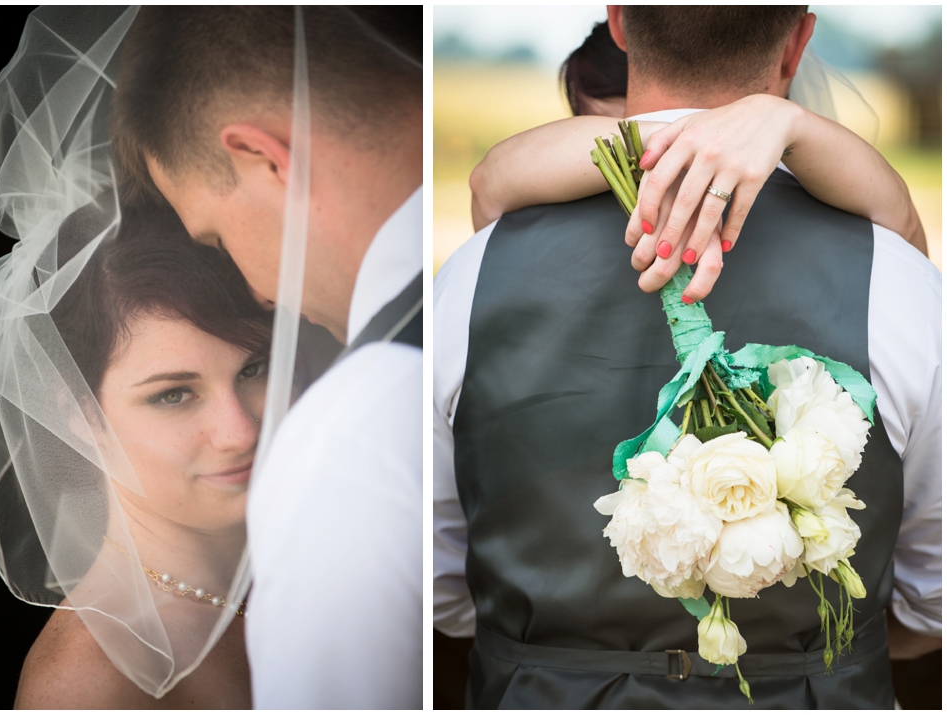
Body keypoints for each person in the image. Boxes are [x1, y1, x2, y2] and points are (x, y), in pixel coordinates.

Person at [433, 6, 941, 708]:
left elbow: (438, 587)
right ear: (797, 39)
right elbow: (932, 601)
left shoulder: (467, 278)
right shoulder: (904, 283)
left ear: (618, 22)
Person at [111, 7, 422, 708]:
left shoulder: (351, 432)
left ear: (264, 158)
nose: (257, 293)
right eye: (172, 392)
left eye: (216, 237)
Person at [3, 207, 271, 708]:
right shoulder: (89, 679)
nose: (241, 432)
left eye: (254, 368)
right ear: (81, 416)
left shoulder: (309, 562)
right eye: (173, 395)